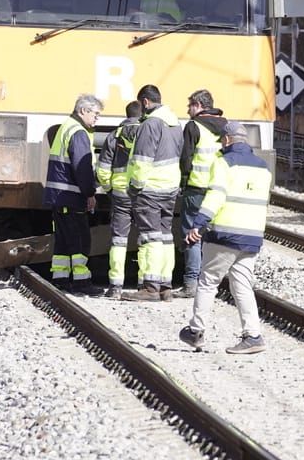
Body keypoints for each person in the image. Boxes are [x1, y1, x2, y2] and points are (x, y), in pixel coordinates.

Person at [178, 121, 271, 355]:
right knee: (242, 285)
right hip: (252, 236)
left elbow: (215, 197)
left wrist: (198, 224)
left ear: (228, 140)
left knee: (208, 281)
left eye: (222, 140)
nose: (221, 143)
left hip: (225, 235)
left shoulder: (223, 163)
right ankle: (253, 336)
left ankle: (196, 331)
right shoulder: (263, 167)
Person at [124, 83, 186, 301]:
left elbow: (142, 159)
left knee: (150, 237)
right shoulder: (175, 123)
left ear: (145, 102)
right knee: (166, 236)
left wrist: (135, 186)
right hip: (170, 187)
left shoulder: (150, 124)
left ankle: (150, 287)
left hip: (150, 188)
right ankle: (165, 285)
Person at [44, 93, 102, 293]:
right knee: (79, 240)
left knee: (62, 240)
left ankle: (60, 279)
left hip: (59, 196)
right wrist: (90, 193)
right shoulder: (78, 132)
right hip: (71, 195)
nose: (97, 118)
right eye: (95, 114)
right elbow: (82, 167)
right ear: (83, 110)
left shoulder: (65, 127)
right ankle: (81, 281)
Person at [174, 89, 227, 298]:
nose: (188, 110)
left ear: (198, 105)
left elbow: (186, 159)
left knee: (191, 235)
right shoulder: (226, 126)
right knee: (213, 236)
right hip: (219, 189)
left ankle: (191, 283)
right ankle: (212, 282)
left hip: (196, 189)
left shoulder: (193, 126)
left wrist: (182, 182)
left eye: (190, 106)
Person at [96, 99, 145, 298]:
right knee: (146, 239)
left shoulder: (114, 135)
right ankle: (144, 284)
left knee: (118, 240)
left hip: (120, 193)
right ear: (143, 115)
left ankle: (115, 286)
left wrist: (108, 188)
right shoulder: (147, 134)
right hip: (142, 193)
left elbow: (103, 169)